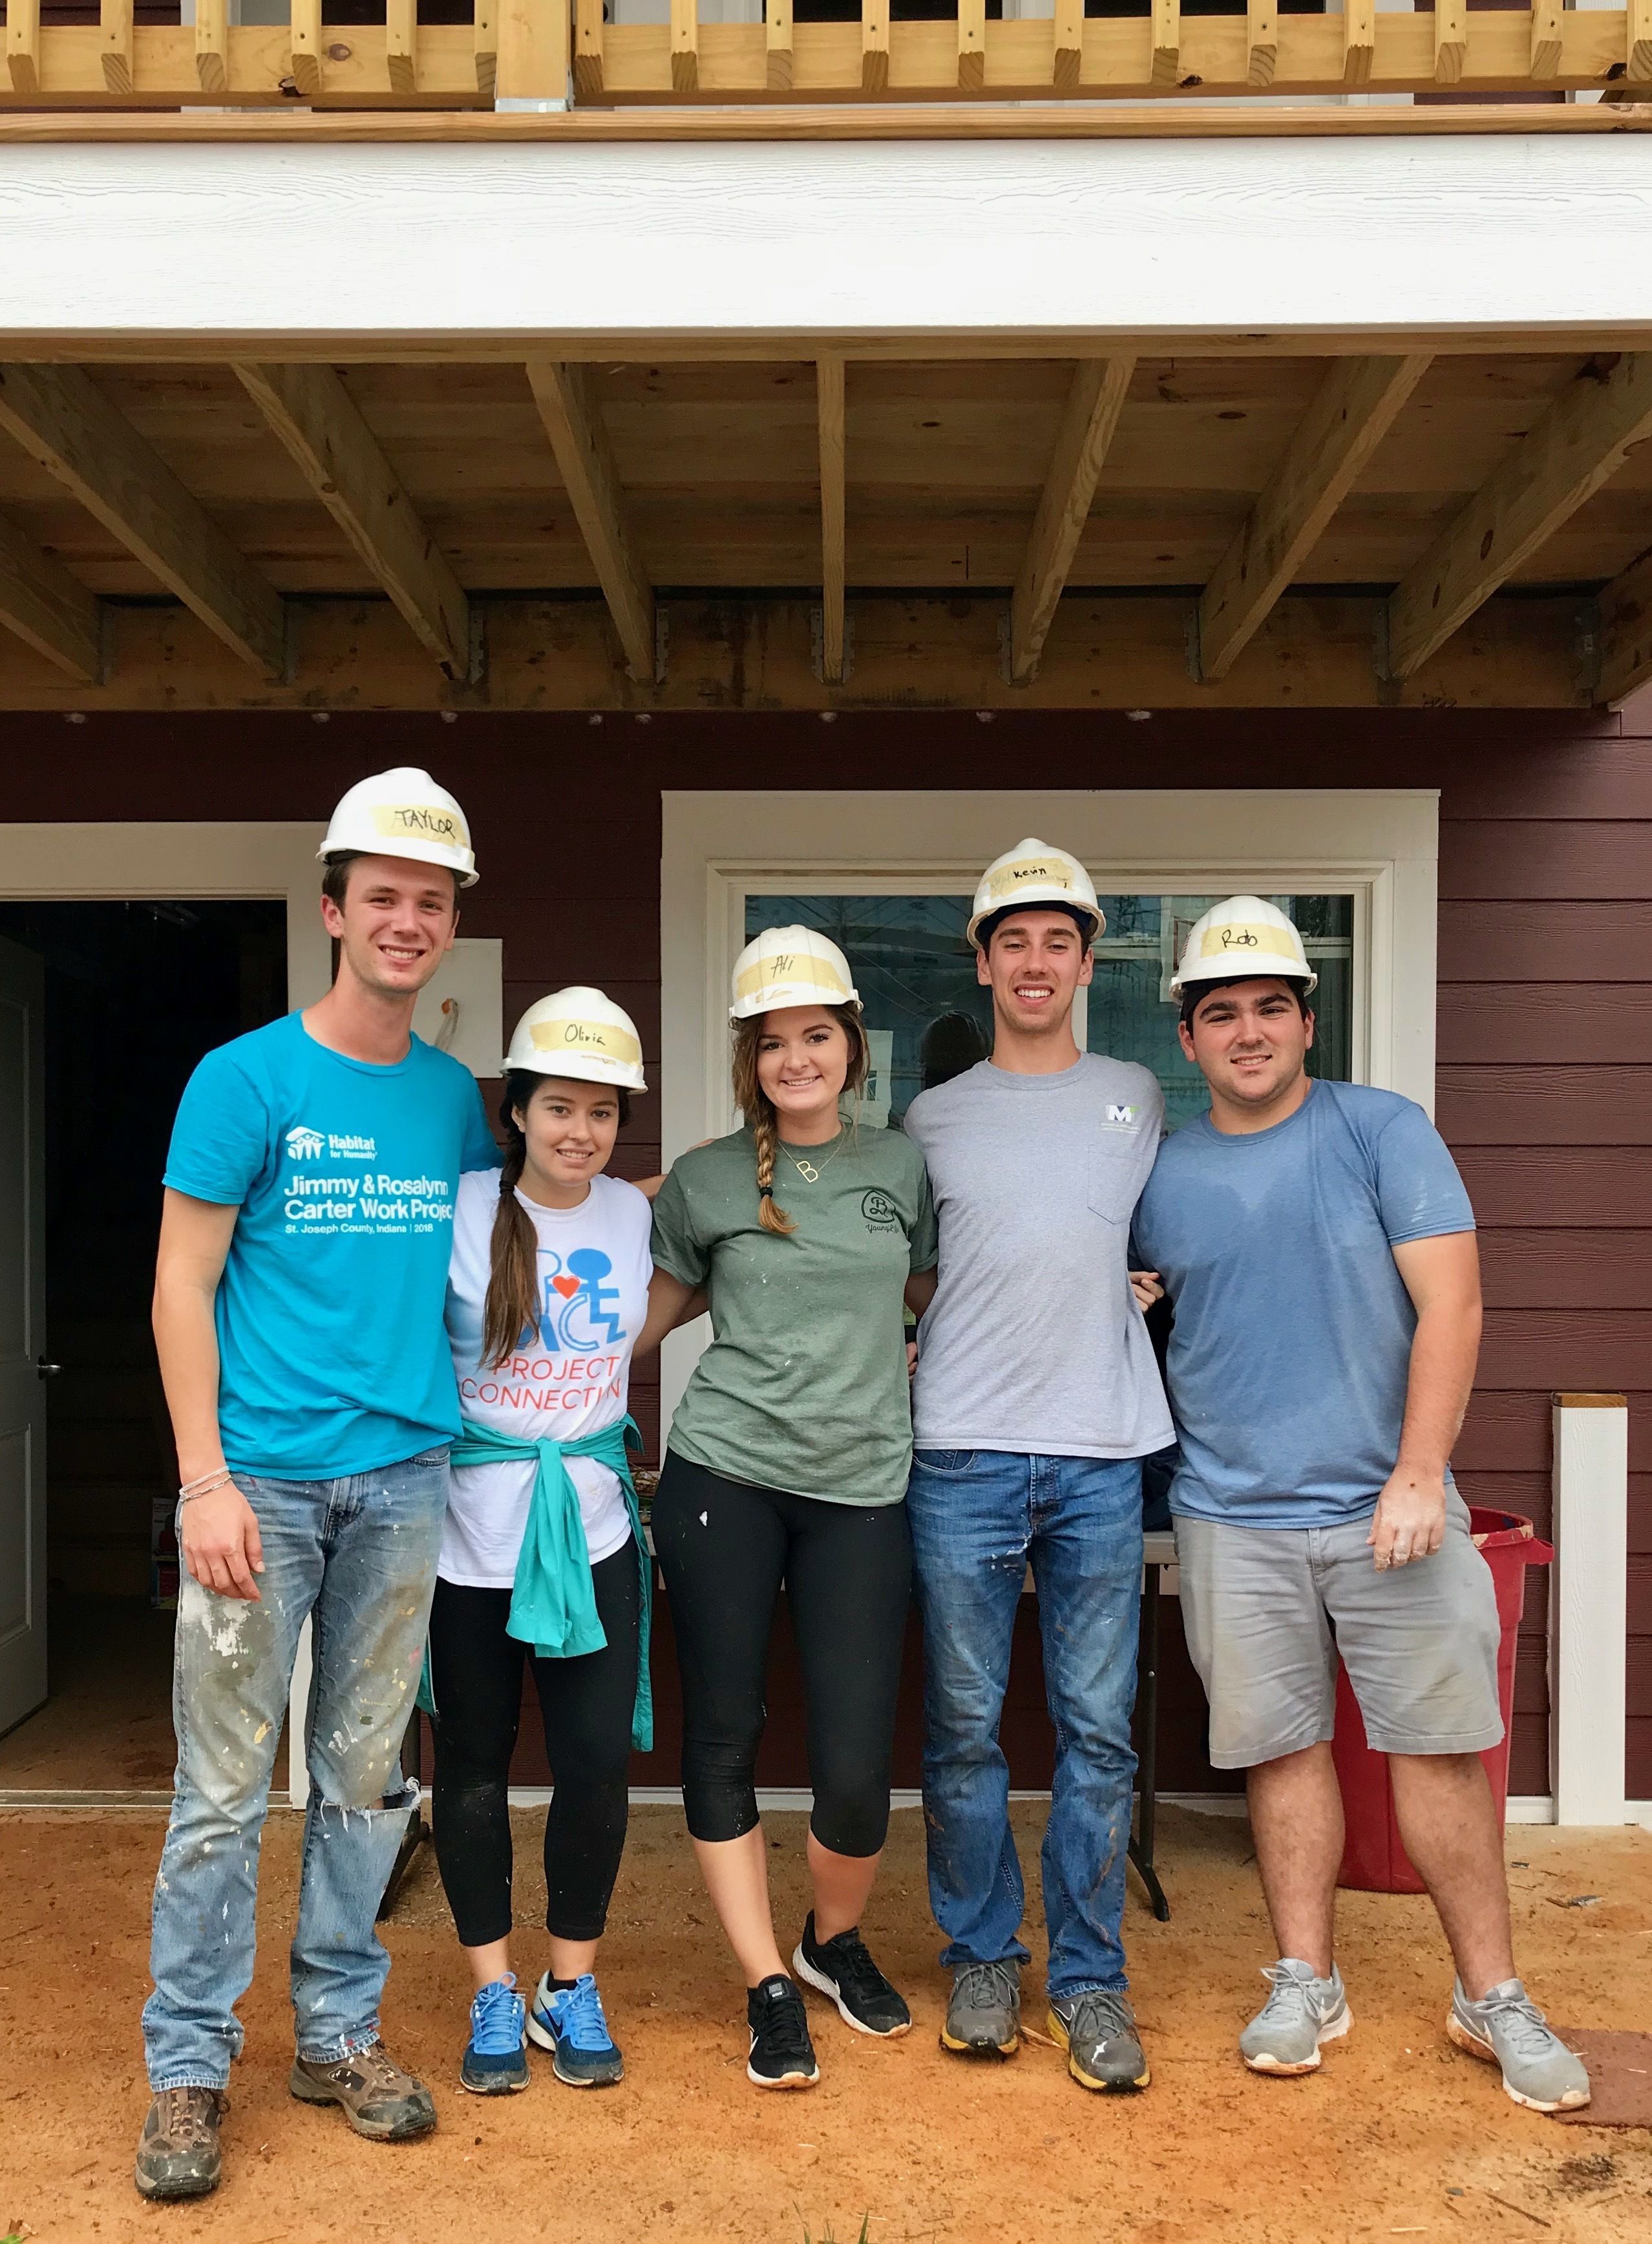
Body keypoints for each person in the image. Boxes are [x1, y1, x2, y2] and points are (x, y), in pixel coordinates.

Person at [1131, 895, 1589, 2113]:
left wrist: (1419, 1471)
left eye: (1269, 1007)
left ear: (1306, 1021)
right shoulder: (1163, 1172)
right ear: (1188, 1040)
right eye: (1219, 1013)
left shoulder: (1381, 1130)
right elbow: (1138, 1304)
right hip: (1231, 1513)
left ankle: (1489, 1992)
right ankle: (1305, 1977)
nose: (1246, 1031)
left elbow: (1456, 1305)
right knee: (1281, 1751)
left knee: (1438, 1752)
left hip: (1395, 1508)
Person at [137, 769, 500, 2201]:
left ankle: (338, 2032)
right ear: (334, 909)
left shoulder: (454, 1100)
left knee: (362, 1778)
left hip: (405, 1479)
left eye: (433, 900)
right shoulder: (246, 1078)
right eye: (385, 897)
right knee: (222, 1789)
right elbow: (180, 1281)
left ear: (449, 922)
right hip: (261, 1486)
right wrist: (201, 1478)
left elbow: (491, 1263)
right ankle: (189, 2063)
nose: (407, 920)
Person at [646, 925, 938, 2089]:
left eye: (816, 1035)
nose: (797, 1058)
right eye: (774, 1043)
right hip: (723, 1476)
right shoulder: (707, 1179)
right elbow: (638, 1320)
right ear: (750, 1058)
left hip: (863, 1487)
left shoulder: (901, 1168)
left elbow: (928, 1296)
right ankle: (769, 1981)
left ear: (853, 1046)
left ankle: (831, 1941)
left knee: (858, 1758)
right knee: (723, 1732)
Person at [902, 839, 1172, 2094]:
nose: (1035, 959)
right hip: (960, 1445)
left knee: (1098, 1732)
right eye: (1013, 938)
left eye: (1057, 937)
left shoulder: (1138, 1094)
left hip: (1103, 1451)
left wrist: (1132, 1280)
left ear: (1085, 956)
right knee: (963, 1728)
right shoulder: (930, 1115)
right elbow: (907, 1268)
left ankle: (1089, 1979)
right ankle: (981, 1954)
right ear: (985, 955)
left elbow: (1150, 1236)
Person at [430, 988, 667, 2097]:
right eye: (560, 1107)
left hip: (599, 1535)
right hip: (469, 1544)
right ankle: (492, 1985)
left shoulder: (632, 1213)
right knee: (473, 1771)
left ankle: (570, 1985)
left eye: (603, 1113)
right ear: (516, 1110)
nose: (582, 1131)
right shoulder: (460, 1207)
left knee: (593, 1767)